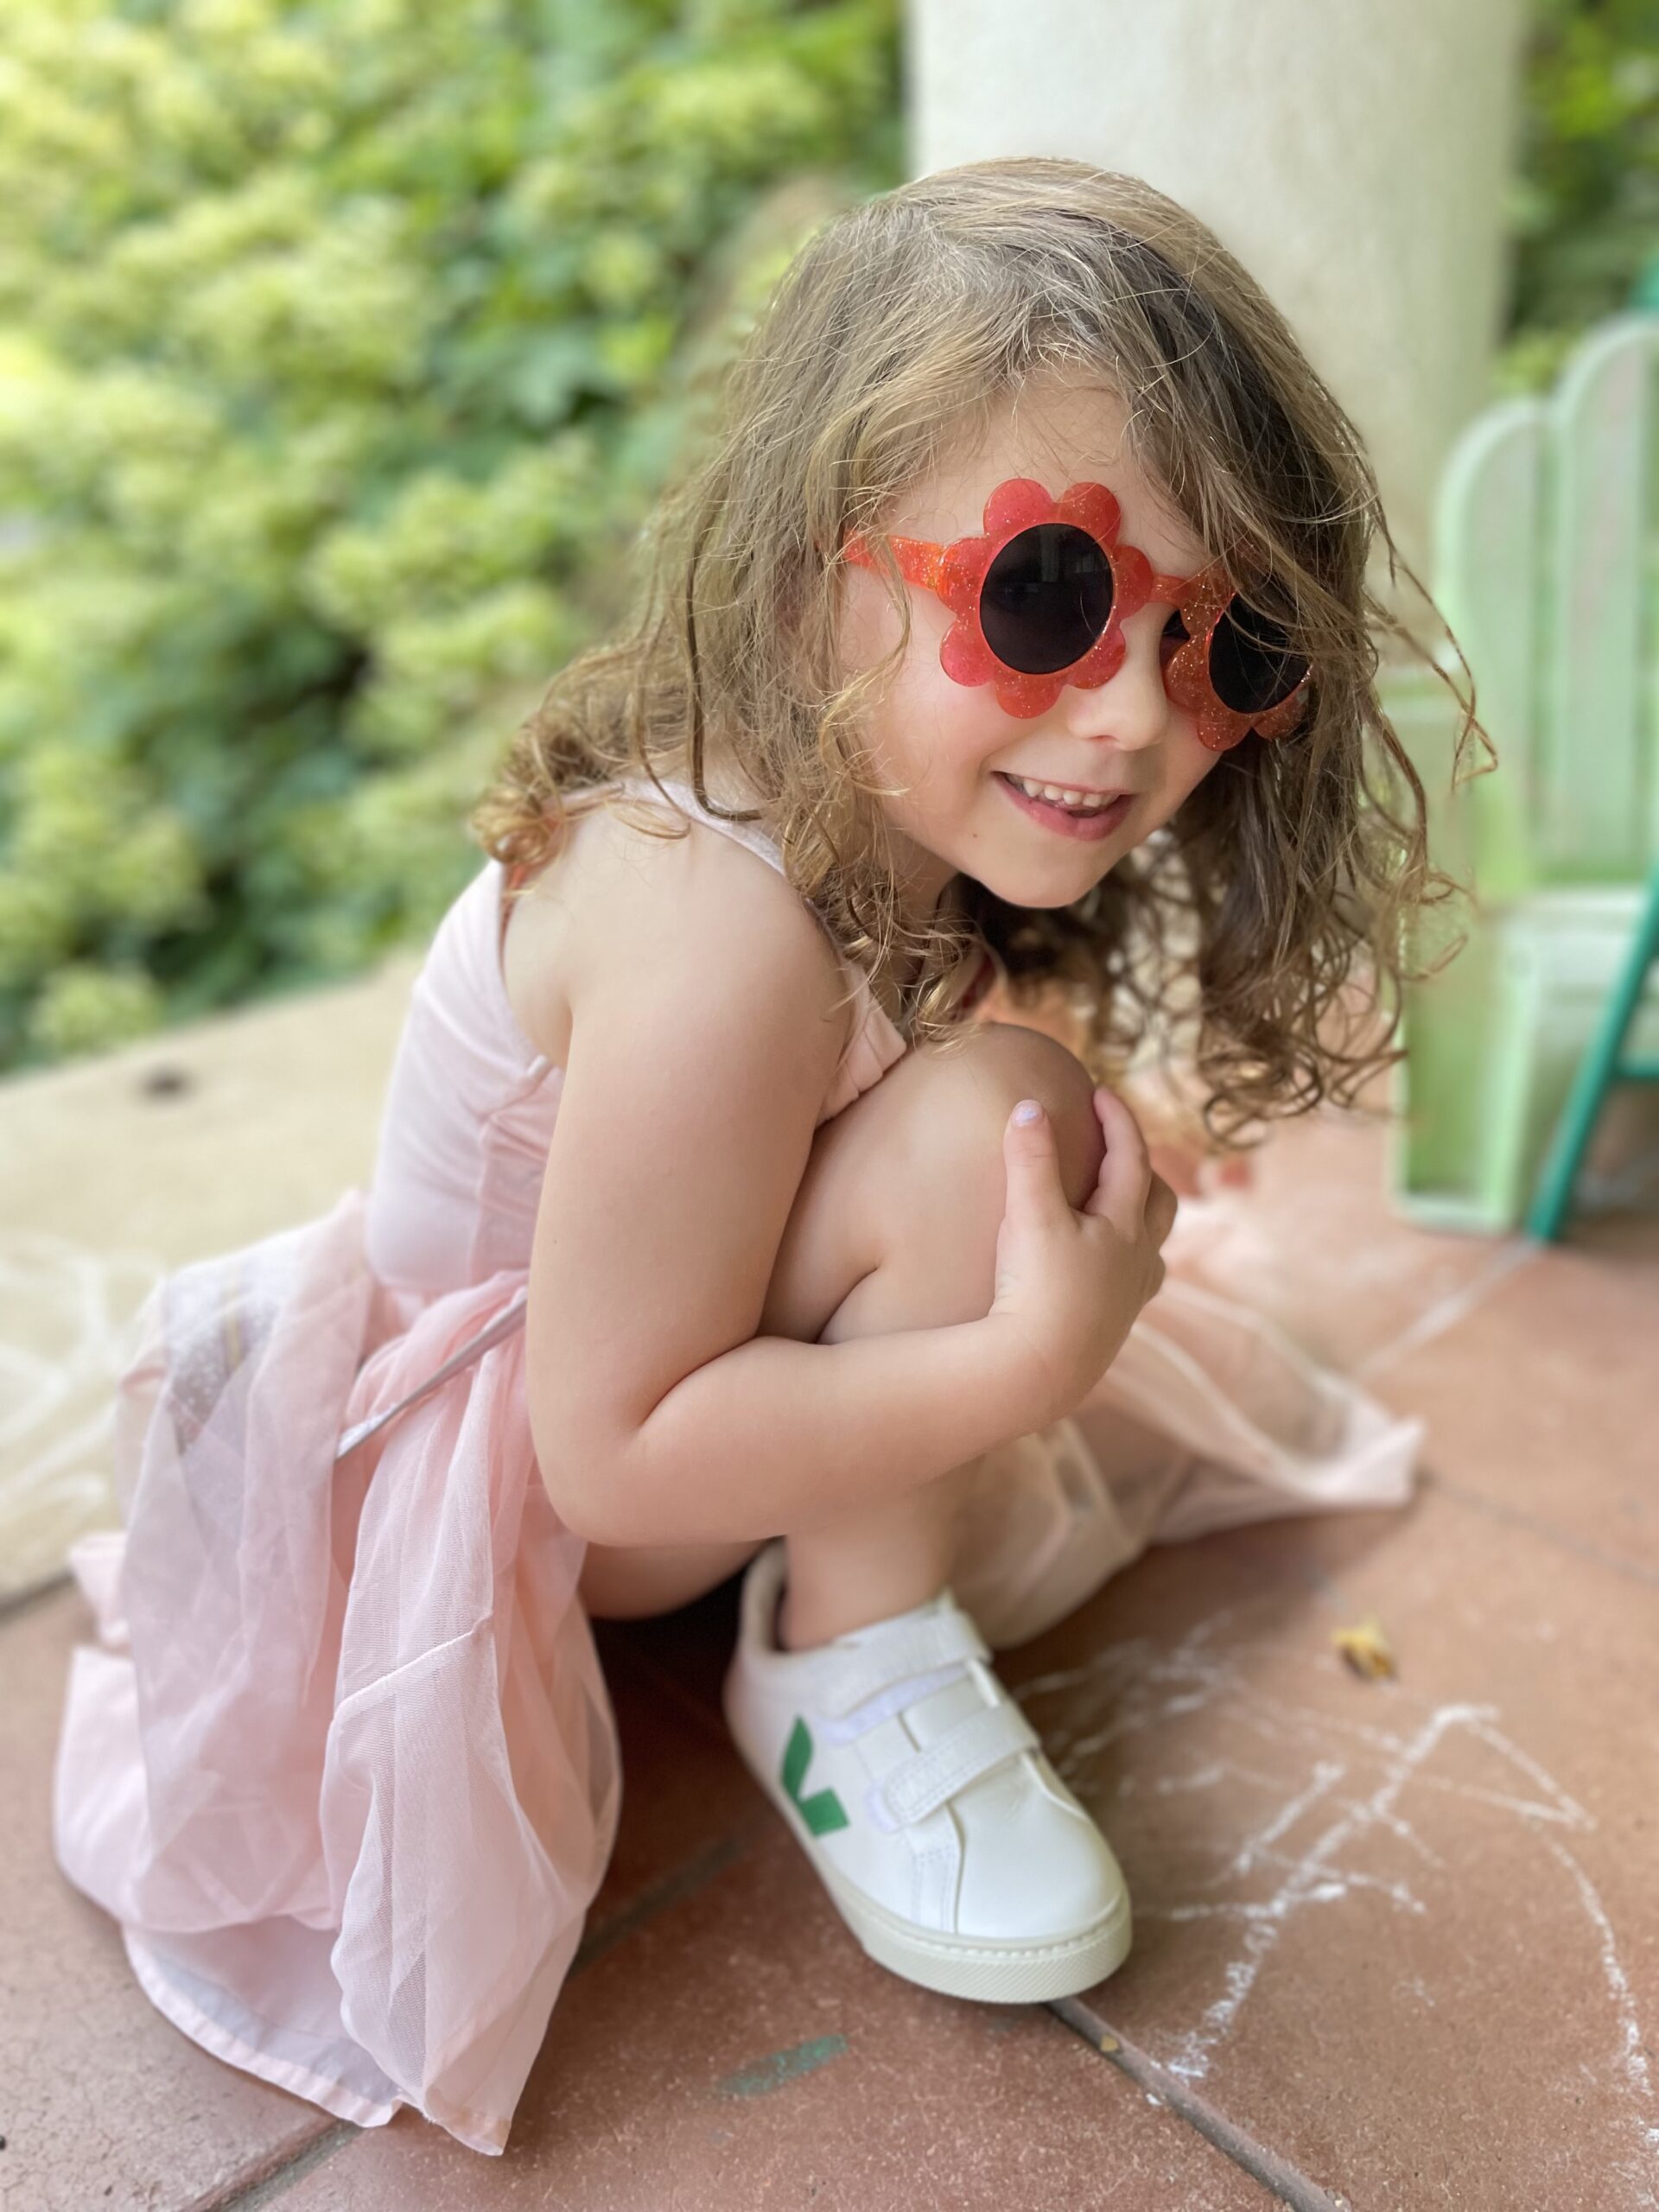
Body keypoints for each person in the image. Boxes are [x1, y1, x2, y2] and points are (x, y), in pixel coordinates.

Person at [52, 159, 1462, 2154]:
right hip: (533, 1495)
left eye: (1231, 650)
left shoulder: (857, 795)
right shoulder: (712, 922)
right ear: (819, 571)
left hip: (587, 1401)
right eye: (1048, 592)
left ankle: (864, 1542)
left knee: (1012, 1108)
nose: (1139, 711)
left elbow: (893, 1060)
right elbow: (604, 1450)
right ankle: (843, 1660)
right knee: (1002, 1146)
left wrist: (1062, 1098)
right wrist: (1018, 1364)